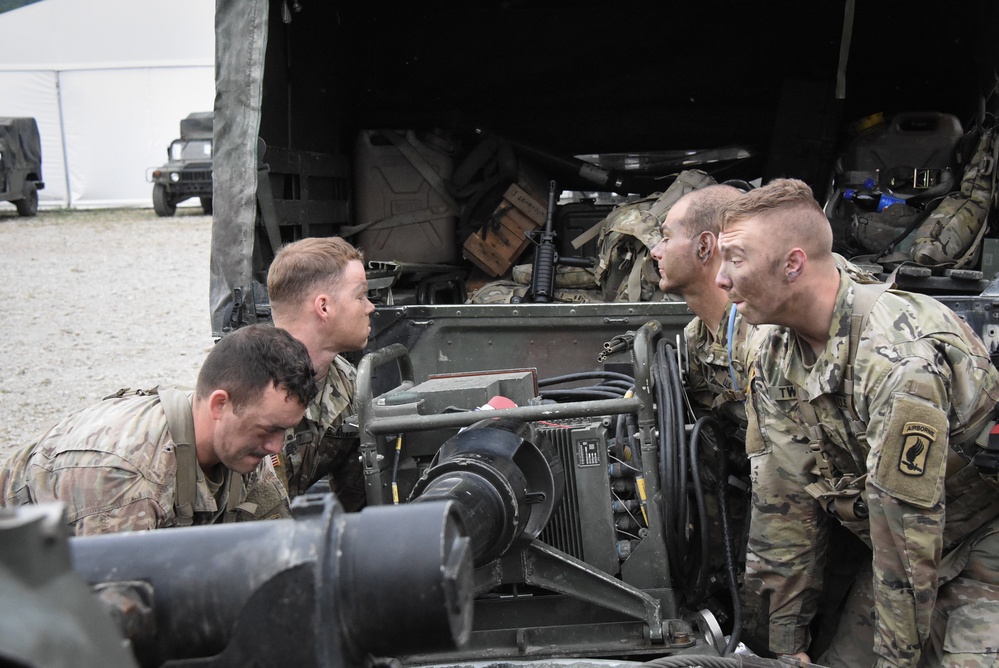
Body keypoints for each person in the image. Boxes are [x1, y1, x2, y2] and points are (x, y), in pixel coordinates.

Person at [716, 177, 999, 667]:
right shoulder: (776, 350)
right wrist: (786, 646)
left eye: (735, 259)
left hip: (980, 542)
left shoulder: (896, 361)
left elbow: (907, 530)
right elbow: (784, 504)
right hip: (896, 551)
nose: (720, 278)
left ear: (793, 264)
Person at [0, 324, 318, 535]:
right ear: (220, 405)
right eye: (268, 429)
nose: (276, 447)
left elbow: (277, 545)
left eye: (283, 431)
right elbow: (114, 611)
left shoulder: (240, 443)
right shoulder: (126, 473)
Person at [266, 236, 375, 510]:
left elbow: (358, 504)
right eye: (360, 296)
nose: (370, 307)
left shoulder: (348, 382)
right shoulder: (254, 388)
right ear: (323, 307)